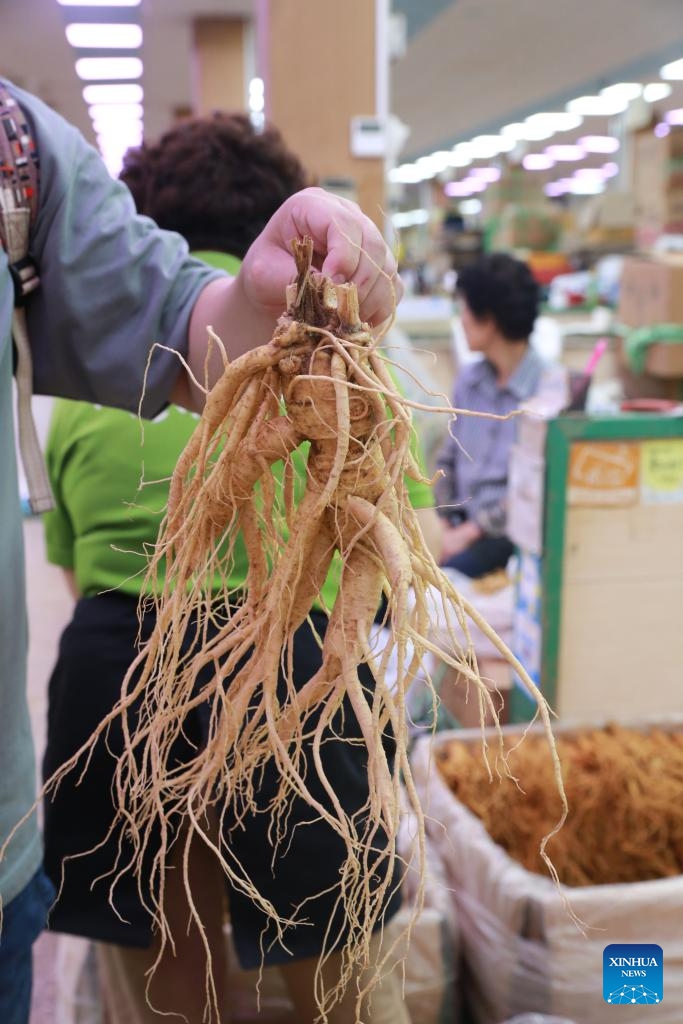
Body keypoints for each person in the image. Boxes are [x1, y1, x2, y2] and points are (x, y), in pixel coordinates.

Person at [0, 79, 400, 1024]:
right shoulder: (346, 363)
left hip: (119, 672)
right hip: (303, 664)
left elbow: (69, 562)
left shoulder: (94, 403)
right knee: (327, 940)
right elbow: (384, 537)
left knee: (173, 934)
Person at [434, 253, 544, 578]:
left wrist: (466, 535)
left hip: (503, 536)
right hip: (457, 523)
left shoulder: (548, 394)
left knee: (435, 587)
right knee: (384, 580)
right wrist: (440, 524)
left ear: (489, 320)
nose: (462, 319)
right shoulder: (470, 381)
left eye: (465, 309)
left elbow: (530, 493)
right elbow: (446, 460)